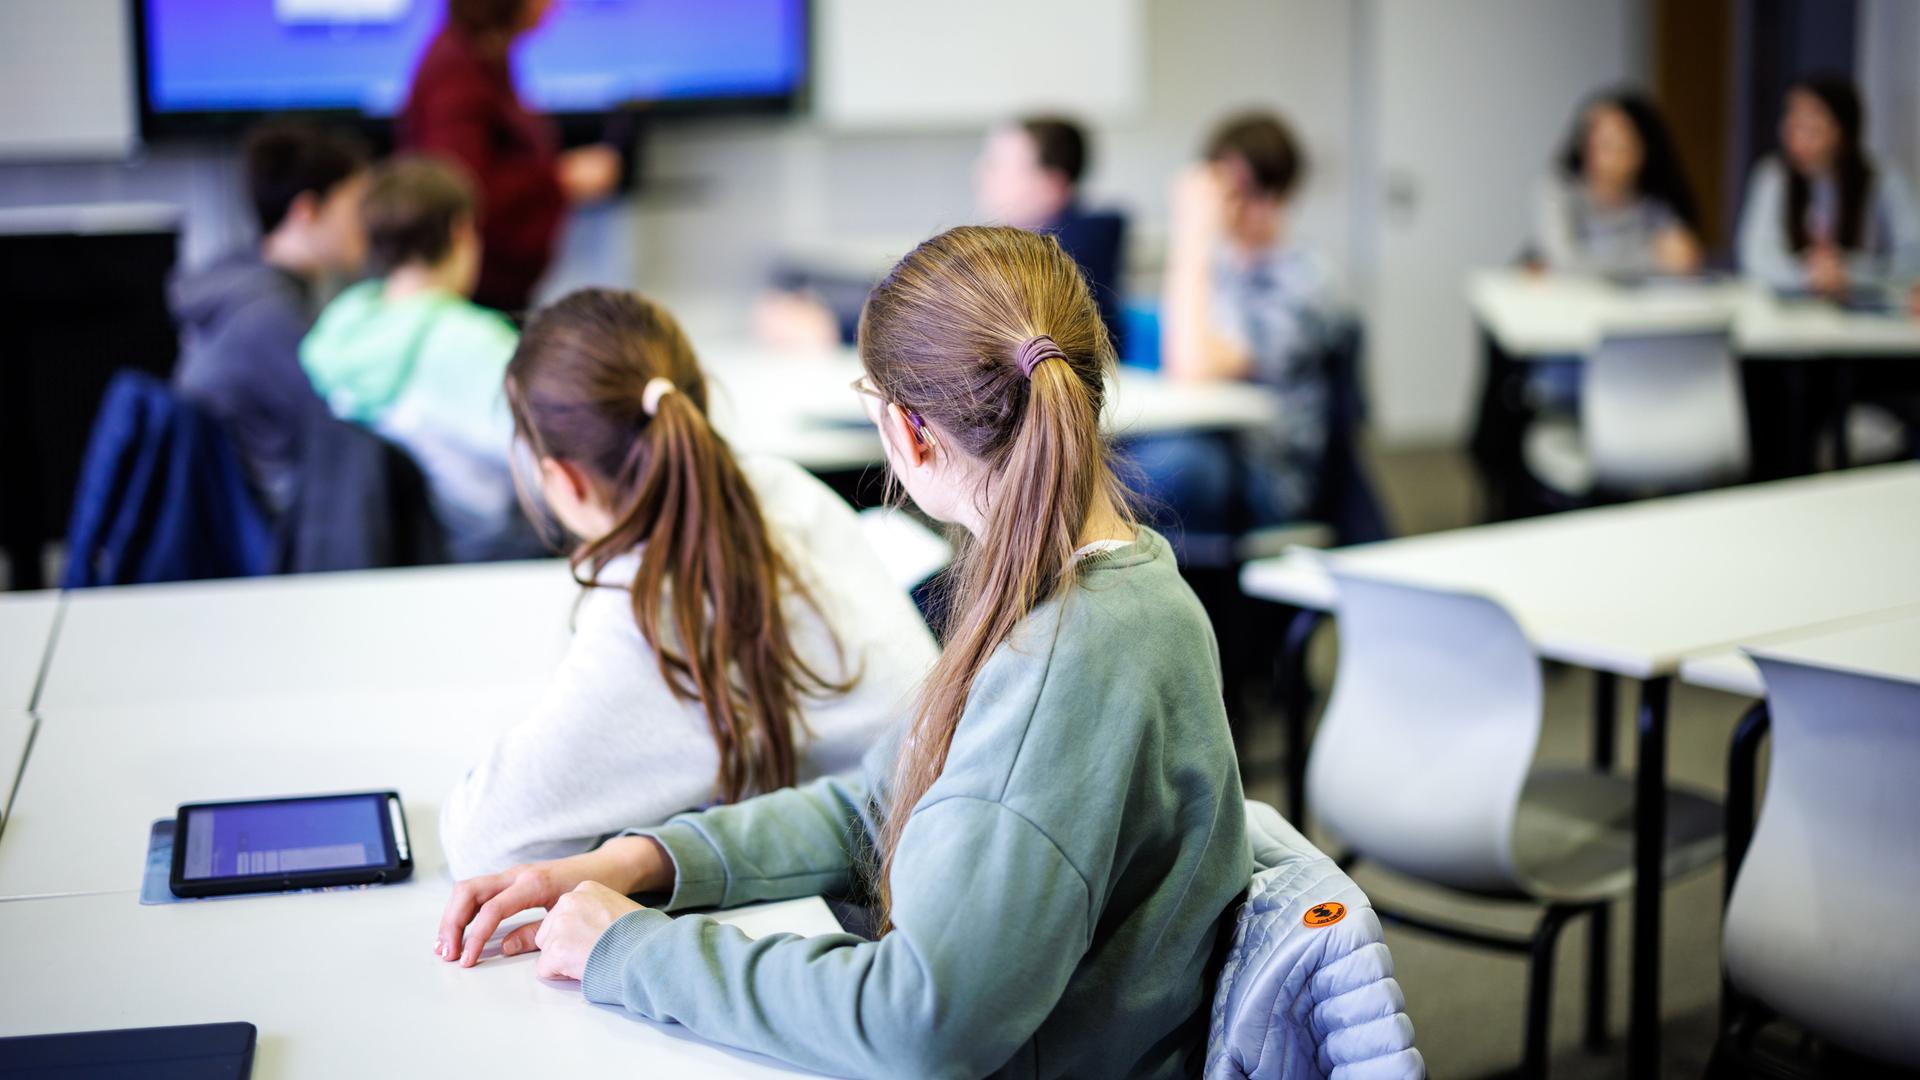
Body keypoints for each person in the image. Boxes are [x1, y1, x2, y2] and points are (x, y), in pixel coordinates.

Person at [434, 227, 1250, 1079]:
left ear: (907, 432)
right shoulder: (1114, 588)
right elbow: (877, 803)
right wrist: (643, 860)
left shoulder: (1064, 669)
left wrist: (632, 953)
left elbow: (921, 1023)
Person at [437, 287, 938, 878]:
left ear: (561, 480)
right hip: (926, 833)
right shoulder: (781, 485)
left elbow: (485, 841)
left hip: (867, 891)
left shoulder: (648, 607)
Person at [300, 157, 538, 563]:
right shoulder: (471, 341)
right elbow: (546, 470)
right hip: (484, 555)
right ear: (459, 231)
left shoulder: (337, 330)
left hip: (376, 557)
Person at [757, 115, 1127, 350]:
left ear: (1051, 183)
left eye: (999, 166)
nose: (981, 175)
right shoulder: (1041, 247)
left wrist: (835, 329)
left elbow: (957, 323)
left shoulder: (1075, 251)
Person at [1143, 110, 1339, 546]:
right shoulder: (1224, 266)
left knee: (1163, 473)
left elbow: (1190, 366)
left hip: (1270, 474)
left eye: (1235, 192)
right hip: (1210, 440)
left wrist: (1191, 237)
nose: (1223, 207)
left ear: (1273, 197)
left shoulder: (1303, 281)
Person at [171, 122, 371, 512]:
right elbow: (338, 433)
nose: (365, 224)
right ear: (307, 211)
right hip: (273, 524)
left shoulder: (240, 284)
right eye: (355, 207)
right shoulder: (271, 316)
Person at [400, 0, 622, 314]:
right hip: (476, 295)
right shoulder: (456, 72)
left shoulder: (486, 55)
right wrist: (559, 178)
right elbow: (464, 187)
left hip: (496, 289)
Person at [1738, 74, 1920, 296]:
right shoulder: (1774, 176)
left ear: (1842, 131)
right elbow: (1756, 258)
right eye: (1792, 124)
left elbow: (1913, 258)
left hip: (1865, 307)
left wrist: (1851, 272)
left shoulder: (1883, 178)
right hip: (1792, 307)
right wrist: (1808, 274)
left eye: (1811, 127)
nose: (1797, 137)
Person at [1533, 89, 1703, 277]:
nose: (1603, 156)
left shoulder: (1654, 201)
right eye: (1596, 143)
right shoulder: (1561, 190)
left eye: (1618, 145)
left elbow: (1682, 256)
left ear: (1642, 150)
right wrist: (1652, 258)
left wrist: (1679, 254)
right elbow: (1566, 262)